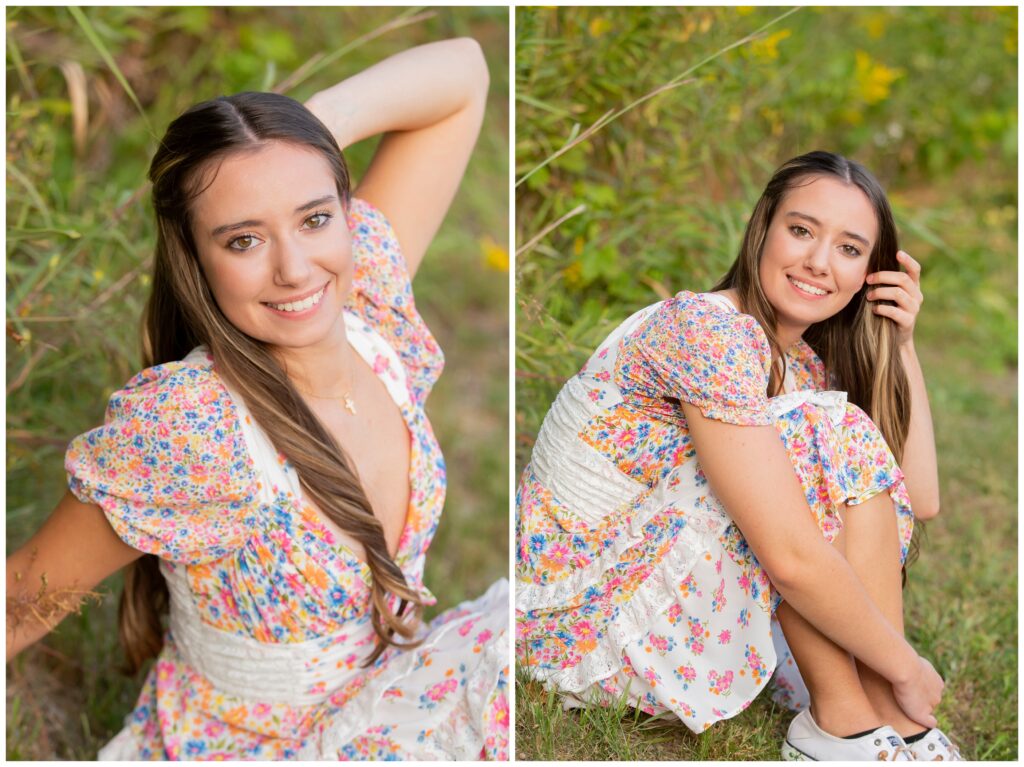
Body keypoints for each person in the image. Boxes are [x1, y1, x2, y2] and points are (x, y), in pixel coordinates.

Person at [6, 39, 508, 760]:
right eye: (243, 239)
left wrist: (293, 133)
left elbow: (464, 71)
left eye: (313, 217)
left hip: (390, 697)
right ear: (196, 261)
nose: (296, 268)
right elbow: (25, 589)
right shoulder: (194, 427)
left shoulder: (365, 296)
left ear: (344, 212)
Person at [516, 151, 961, 761]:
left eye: (850, 250)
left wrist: (901, 341)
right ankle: (844, 719)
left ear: (869, 276)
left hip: (646, 594)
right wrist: (907, 665)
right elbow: (790, 557)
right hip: (580, 625)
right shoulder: (709, 331)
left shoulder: (799, 367)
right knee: (811, 430)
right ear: (763, 228)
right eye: (801, 231)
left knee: (823, 426)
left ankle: (883, 709)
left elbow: (922, 498)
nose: (818, 262)